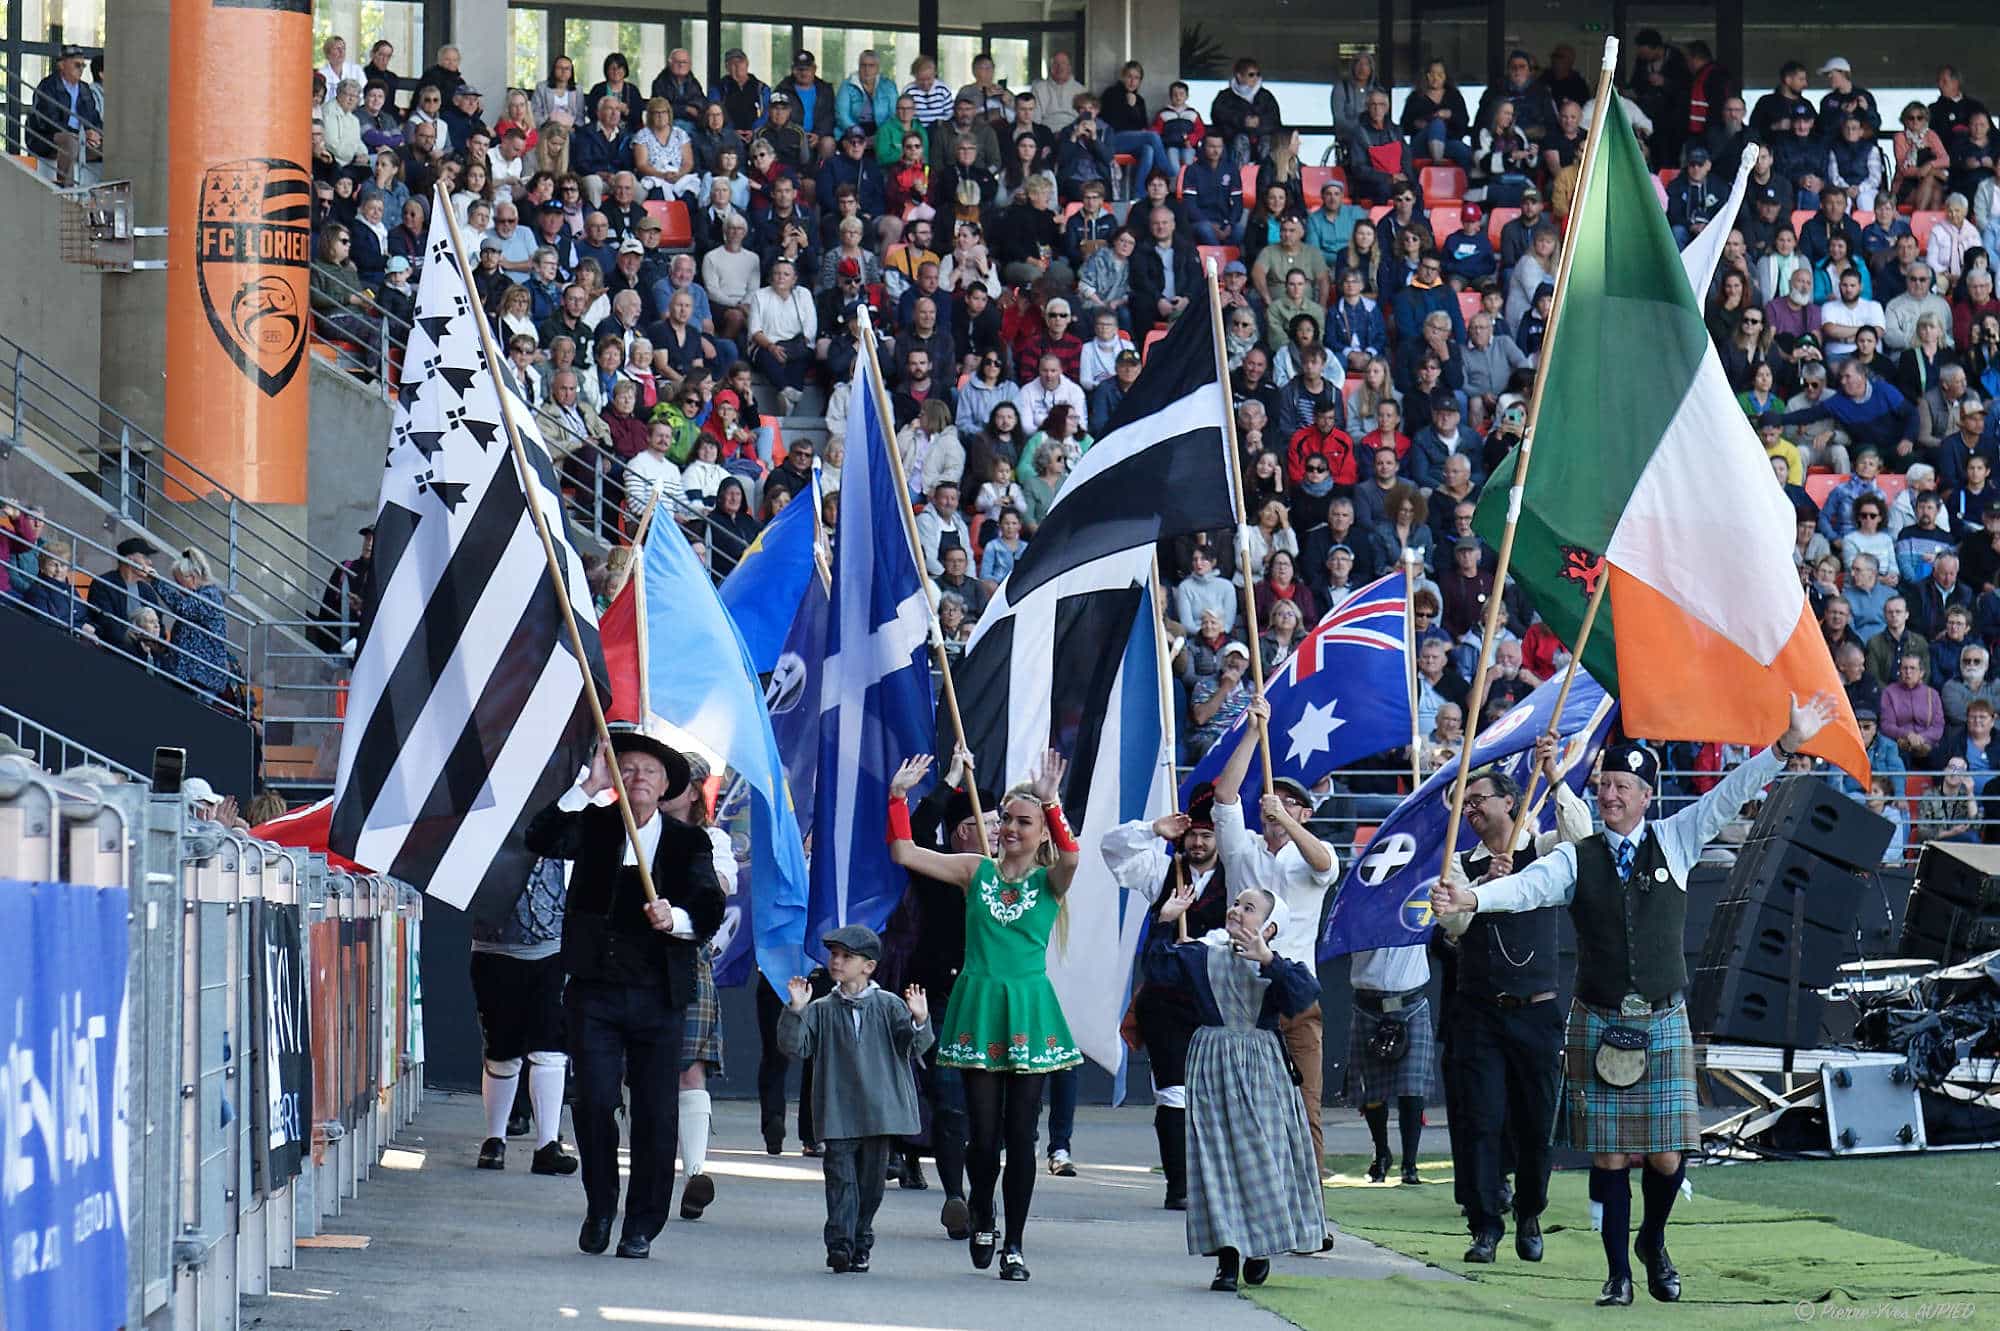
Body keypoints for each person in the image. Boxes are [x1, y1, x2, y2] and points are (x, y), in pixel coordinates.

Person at [1431, 694, 1841, 1306]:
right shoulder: (1576, 854)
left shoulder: (1677, 838)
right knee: (1614, 1156)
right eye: (1604, 785)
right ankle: (1618, 1273)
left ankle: (1653, 1241)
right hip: (1596, 1018)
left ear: (1647, 794)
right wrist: (1471, 901)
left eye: (1622, 786)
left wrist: (1785, 744)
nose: (1610, 796)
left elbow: (1730, 793)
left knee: (1668, 1157)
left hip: (1661, 1018)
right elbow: (1527, 888)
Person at [524, 730, 726, 1260]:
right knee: (593, 1102)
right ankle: (601, 1206)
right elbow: (539, 838)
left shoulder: (688, 842)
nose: (638, 779)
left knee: (657, 1114)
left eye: (649, 772)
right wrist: (586, 786)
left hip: (660, 996)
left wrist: (675, 918)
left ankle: (642, 1223)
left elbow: (708, 907)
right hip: (595, 992)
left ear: (666, 787)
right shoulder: (591, 825)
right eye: (627, 769)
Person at [886, 748, 1080, 1281]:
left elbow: (1071, 858)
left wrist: (1053, 802)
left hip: (1027, 1010)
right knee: (984, 1134)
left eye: (1024, 822)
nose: (1011, 829)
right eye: (1008, 821)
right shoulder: (975, 871)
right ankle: (982, 1215)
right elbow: (905, 852)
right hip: (979, 1005)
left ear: (1040, 832)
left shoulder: (1049, 883)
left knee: (1022, 1136)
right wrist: (901, 796)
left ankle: (1014, 1243)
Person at [1433, 741, 1591, 1264]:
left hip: (1537, 1009)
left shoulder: (1544, 849)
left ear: (1509, 800)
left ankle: (1529, 1212)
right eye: (1463, 804)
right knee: (1479, 1118)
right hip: (1478, 1010)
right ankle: (1484, 1225)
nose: (1471, 810)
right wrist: (1481, 888)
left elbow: (1585, 841)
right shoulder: (1457, 863)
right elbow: (1450, 925)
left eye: (1478, 799)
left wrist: (1552, 774)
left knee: (1534, 1119)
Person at [1147, 878, 1324, 1292]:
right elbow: (1157, 969)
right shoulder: (1202, 955)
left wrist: (1268, 960)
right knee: (1215, 1160)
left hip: (1261, 1066)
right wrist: (1164, 921)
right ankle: (1227, 1259)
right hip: (1211, 1060)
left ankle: (1259, 1245)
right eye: (1236, 905)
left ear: (1270, 927)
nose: (1236, 911)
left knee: (1262, 1155)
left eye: (1248, 908)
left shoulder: (1281, 966)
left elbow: (1304, 996)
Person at [1210, 697, 1339, 1166]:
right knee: (1241, 1109)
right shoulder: (1242, 848)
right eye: (1273, 799)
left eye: (1291, 802)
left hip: (1293, 992)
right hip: (1240, 993)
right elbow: (1224, 797)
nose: (1277, 805)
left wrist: (1284, 818)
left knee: (1306, 1105)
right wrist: (1251, 734)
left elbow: (1324, 864)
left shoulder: (1314, 850)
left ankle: (1312, 1209)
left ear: (1306, 813)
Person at [1099, 787, 1232, 1210]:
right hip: (1166, 1001)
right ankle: (1178, 1185)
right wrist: (1154, 829)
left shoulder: (1240, 874)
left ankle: (1217, 1183)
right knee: (1173, 1093)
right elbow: (1112, 851)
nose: (1198, 843)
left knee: (1215, 1096)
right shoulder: (1163, 870)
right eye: (1192, 834)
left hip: (1218, 1003)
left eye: (1207, 835)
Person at [778, 924, 933, 1274]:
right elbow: (795, 1046)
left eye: (847, 956)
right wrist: (796, 1010)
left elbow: (913, 1046)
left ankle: (861, 1237)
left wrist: (920, 1019)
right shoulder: (821, 1008)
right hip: (838, 1110)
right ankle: (840, 1243)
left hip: (879, 1112)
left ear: (869, 966)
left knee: (870, 1184)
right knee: (839, 1176)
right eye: (834, 954)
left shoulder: (890, 1005)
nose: (837, 961)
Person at [468, 855, 579, 1177]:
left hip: (551, 950)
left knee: (550, 1047)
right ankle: (495, 1139)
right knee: (502, 1049)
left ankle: (546, 1144)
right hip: (494, 950)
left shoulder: (566, 826)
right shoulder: (486, 834)